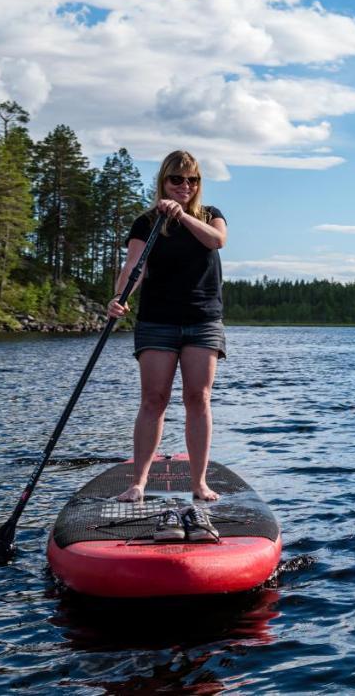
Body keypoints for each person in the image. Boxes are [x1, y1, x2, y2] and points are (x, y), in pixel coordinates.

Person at [109, 150, 228, 503]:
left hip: (203, 319)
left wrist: (184, 216)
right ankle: (139, 483)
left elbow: (216, 241)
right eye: (177, 179)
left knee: (198, 398)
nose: (185, 186)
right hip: (157, 320)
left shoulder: (211, 216)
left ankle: (199, 483)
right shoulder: (147, 222)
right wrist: (119, 297)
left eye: (192, 180)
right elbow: (135, 266)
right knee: (154, 399)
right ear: (163, 181)